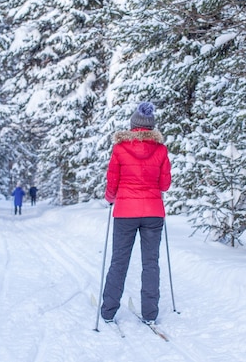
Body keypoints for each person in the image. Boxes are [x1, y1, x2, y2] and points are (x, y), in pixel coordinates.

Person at [100, 101, 172, 325]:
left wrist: (111, 198)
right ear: (152, 127)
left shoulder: (120, 149)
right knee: (151, 262)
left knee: (119, 261)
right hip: (153, 213)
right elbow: (165, 184)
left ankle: (108, 311)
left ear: (133, 126)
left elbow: (113, 180)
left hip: (125, 213)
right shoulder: (160, 150)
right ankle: (150, 314)